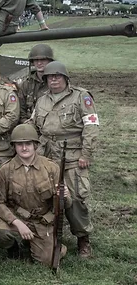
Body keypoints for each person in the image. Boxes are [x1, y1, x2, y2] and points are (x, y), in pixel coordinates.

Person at [32, 61, 98, 258]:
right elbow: (34, 124)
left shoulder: (81, 96)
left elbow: (91, 126)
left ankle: (83, 238)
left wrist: (86, 154)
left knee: (76, 198)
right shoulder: (41, 100)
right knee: (43, 195)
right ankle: (46, 235)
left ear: (65, 78)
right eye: (49, 77)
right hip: (47, 154)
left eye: (57, 76)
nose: (53, 79)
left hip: (72, 155)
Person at [0, 124, 70, 266]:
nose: (24, 148)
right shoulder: (6, 170)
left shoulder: (51, 168)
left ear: (35, 145)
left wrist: (65, 196)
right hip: (18, 218)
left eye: (28, 144)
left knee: (47, 262)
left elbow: (67, 205)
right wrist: (17, 223)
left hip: (42, 222)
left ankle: (52, 246)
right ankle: (14, 249)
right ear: (14, 146)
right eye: (20, 144)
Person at [14, 44, 54, 124]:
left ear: (50, 61)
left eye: (43, 60)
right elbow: (21, 111)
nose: (39, 63)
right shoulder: (26, 84)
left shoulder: (56, 82)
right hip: (31, 125)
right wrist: (26, 123)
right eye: (36, 60)